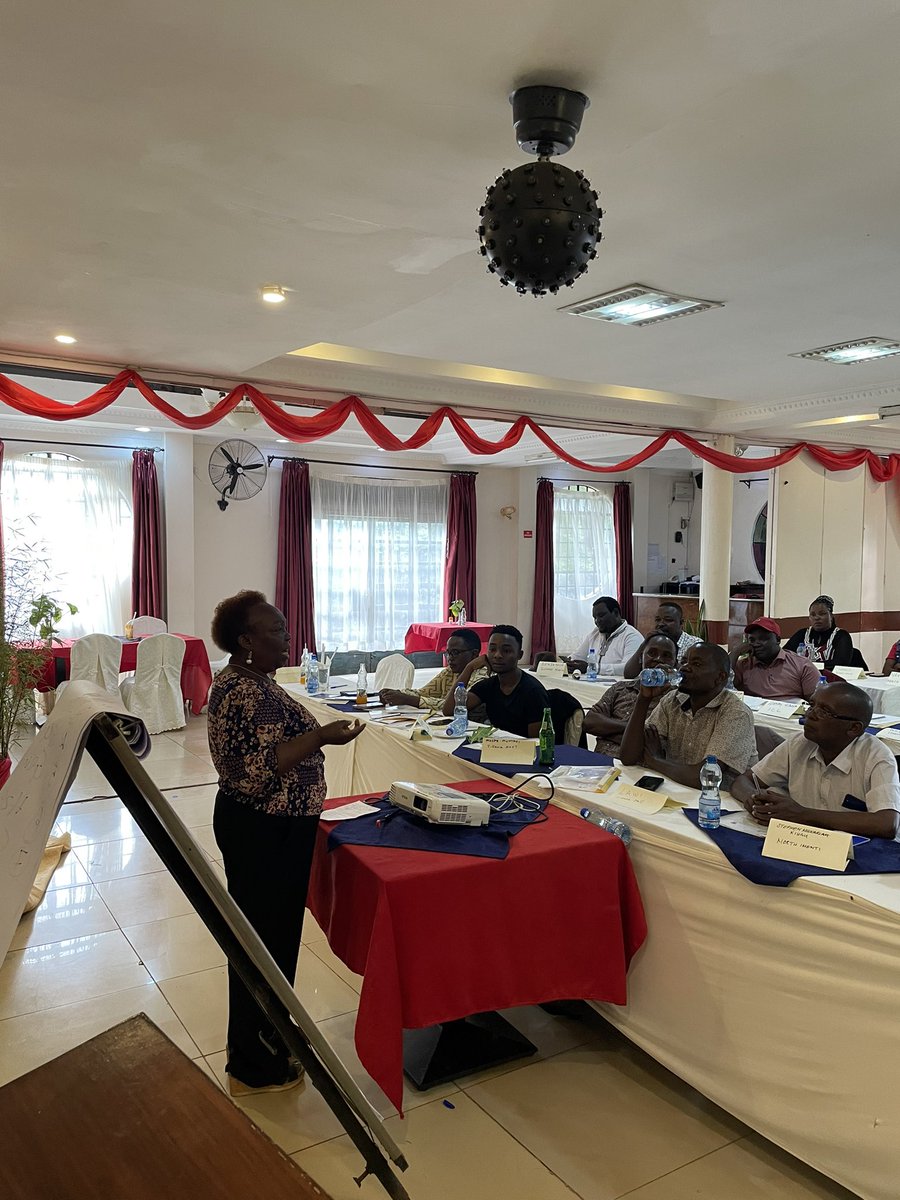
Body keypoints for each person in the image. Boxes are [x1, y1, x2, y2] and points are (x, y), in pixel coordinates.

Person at [207, 590, 365, 1097]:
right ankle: (257, 1063)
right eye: (275, 630)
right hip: (264, 830)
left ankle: (266, 1041)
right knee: (264, 946)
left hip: (269, 826)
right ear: (247, 640)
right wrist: (320, 737)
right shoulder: (244, 691)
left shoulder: (250, 680)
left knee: (269, 943)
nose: (287, 636)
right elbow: (258, 772)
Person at [731, 681, 900, 839]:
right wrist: (753, 799)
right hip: (801, 840)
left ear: (854, 728)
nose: (810, 715)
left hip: (858, 849)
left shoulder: (876, 756)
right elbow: (745, 780)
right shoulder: (799, 743)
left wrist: (802, 814)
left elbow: (887, 823)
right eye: (811, 706)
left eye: (824, 712)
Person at [619, 642, 757, 788]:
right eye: (684, 662)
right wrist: (644, 699)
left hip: (720, 801)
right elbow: (628, 757)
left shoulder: (736, 713)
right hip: (676, 786)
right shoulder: (672, 700)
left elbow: (704, 777)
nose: (684, 668)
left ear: (720, 677)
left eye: (696, 664)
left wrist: (655, 760)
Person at [446, 623, 550, 737]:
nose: (497, 655)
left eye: (506, 651)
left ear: (519, 655)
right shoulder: (488, 685)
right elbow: (449, 710)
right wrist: (469, 667)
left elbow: (537, 742)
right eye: (492, 649)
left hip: (522, 750)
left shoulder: (533, 691)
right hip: (496, 746)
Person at [584, 634, 678, 756]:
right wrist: (634, 729)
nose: (658, 659)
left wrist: (607, 731)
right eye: (652, 653)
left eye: (666, 655)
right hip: (600, 761)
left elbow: (652, 746)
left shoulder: (674, 699)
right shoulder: (620, 688)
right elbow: (589, 723)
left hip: (638, 768)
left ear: (675, 664)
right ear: (641, 657)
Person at [378, 628, 488, 708]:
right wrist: (395, 694)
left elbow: (453, 706)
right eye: (448, 653)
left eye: (455, 653)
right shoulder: (450, 671)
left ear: (474, 654)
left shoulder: (482, 675)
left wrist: (408, 699)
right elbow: (424, 692)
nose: (450, 658)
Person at [731, 618, 820, 701]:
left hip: (790, 714)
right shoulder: (743, 665)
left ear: (777, 640)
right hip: (755, 715)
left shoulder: (802, 665)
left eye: (763, 639)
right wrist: (736, 652)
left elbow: (817, 700)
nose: (756, 644)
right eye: (752, 640)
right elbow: (723, 687)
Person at [567, 596, 643, 678]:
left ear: (616, 613)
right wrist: (566, 663)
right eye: (595, 618)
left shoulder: (632, 637)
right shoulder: (595, 633)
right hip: (593, 685)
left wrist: (593, 668)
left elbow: (627, 669)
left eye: (601, 616)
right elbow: (577, 656)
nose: (597, 621)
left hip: (620, 688)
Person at [622, 601, 702, 677]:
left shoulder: (694, 644)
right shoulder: (653, 642)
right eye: (658, 620)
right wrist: (645, 644)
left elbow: (696, 677)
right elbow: (629, 674)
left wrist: (671, 667)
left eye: (668, 620)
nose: (661, 624)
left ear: (681, 623)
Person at [782, 595, 855, 670]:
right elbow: (784, 655)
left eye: (822, 614)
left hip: (830, 679)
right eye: (813, 615)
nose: (817, 618)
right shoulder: (802, 634)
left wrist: (808, 665)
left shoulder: (841, 636)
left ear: (831, 616)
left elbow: (841, 663)